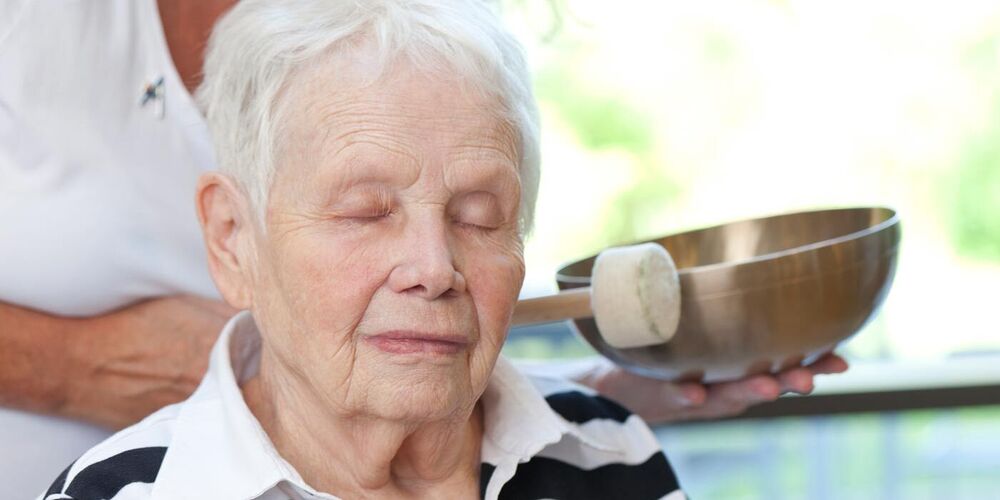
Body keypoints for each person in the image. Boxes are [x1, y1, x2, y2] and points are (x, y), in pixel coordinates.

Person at [0, 0, 845, 496]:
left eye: (481, 218)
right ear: (232, 240)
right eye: (366, 213)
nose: (435, 269)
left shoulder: (609, 455)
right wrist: (75, 364)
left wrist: (589, 395)